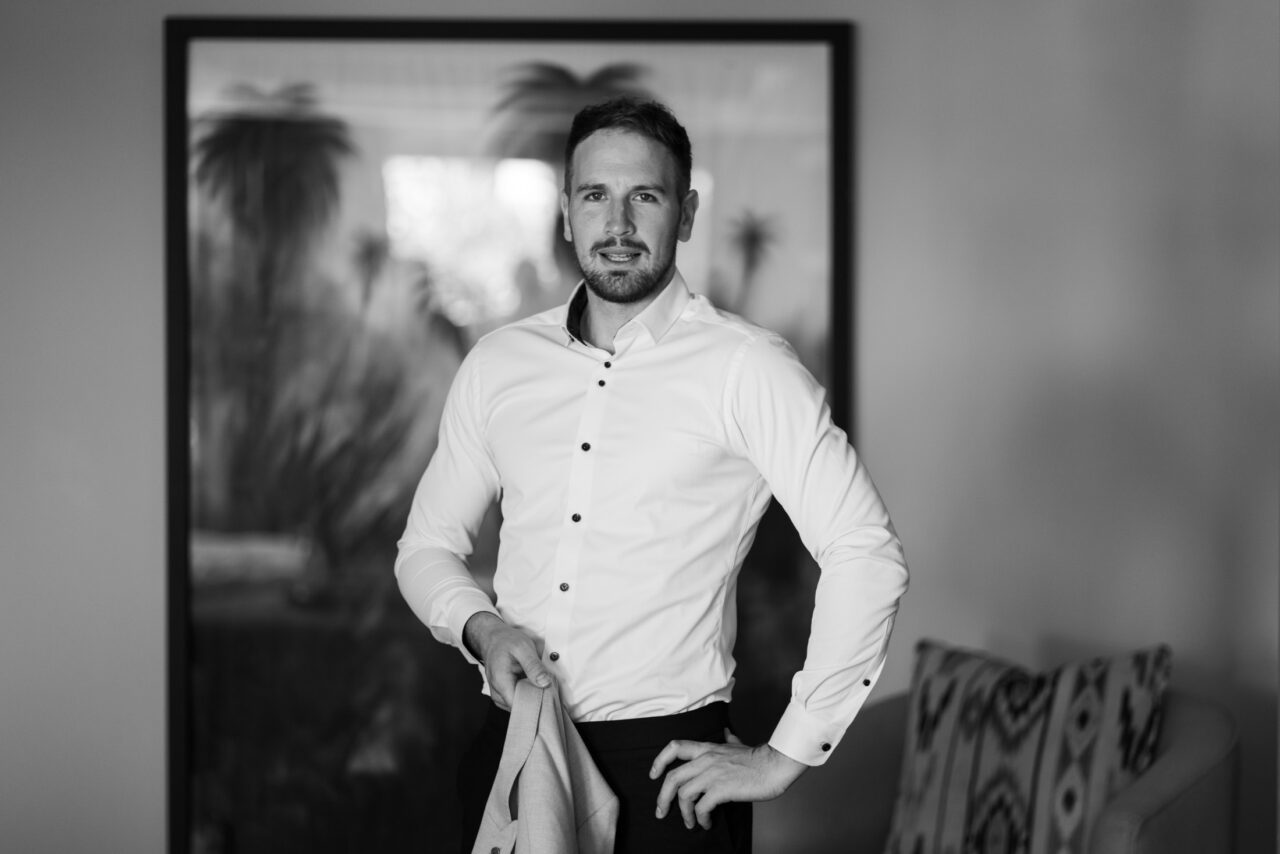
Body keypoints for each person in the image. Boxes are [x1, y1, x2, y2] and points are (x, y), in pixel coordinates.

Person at [395, 96, 908, 854]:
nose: (619, 225)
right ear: (567, 213)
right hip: (515, 752)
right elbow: (425, 548)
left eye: (646, 196)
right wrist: (484, 627)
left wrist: (784, 754)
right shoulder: (498, 366)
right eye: (596, 196)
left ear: (687, 213)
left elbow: (866, 553)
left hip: (671, 783)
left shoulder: (748, 368)